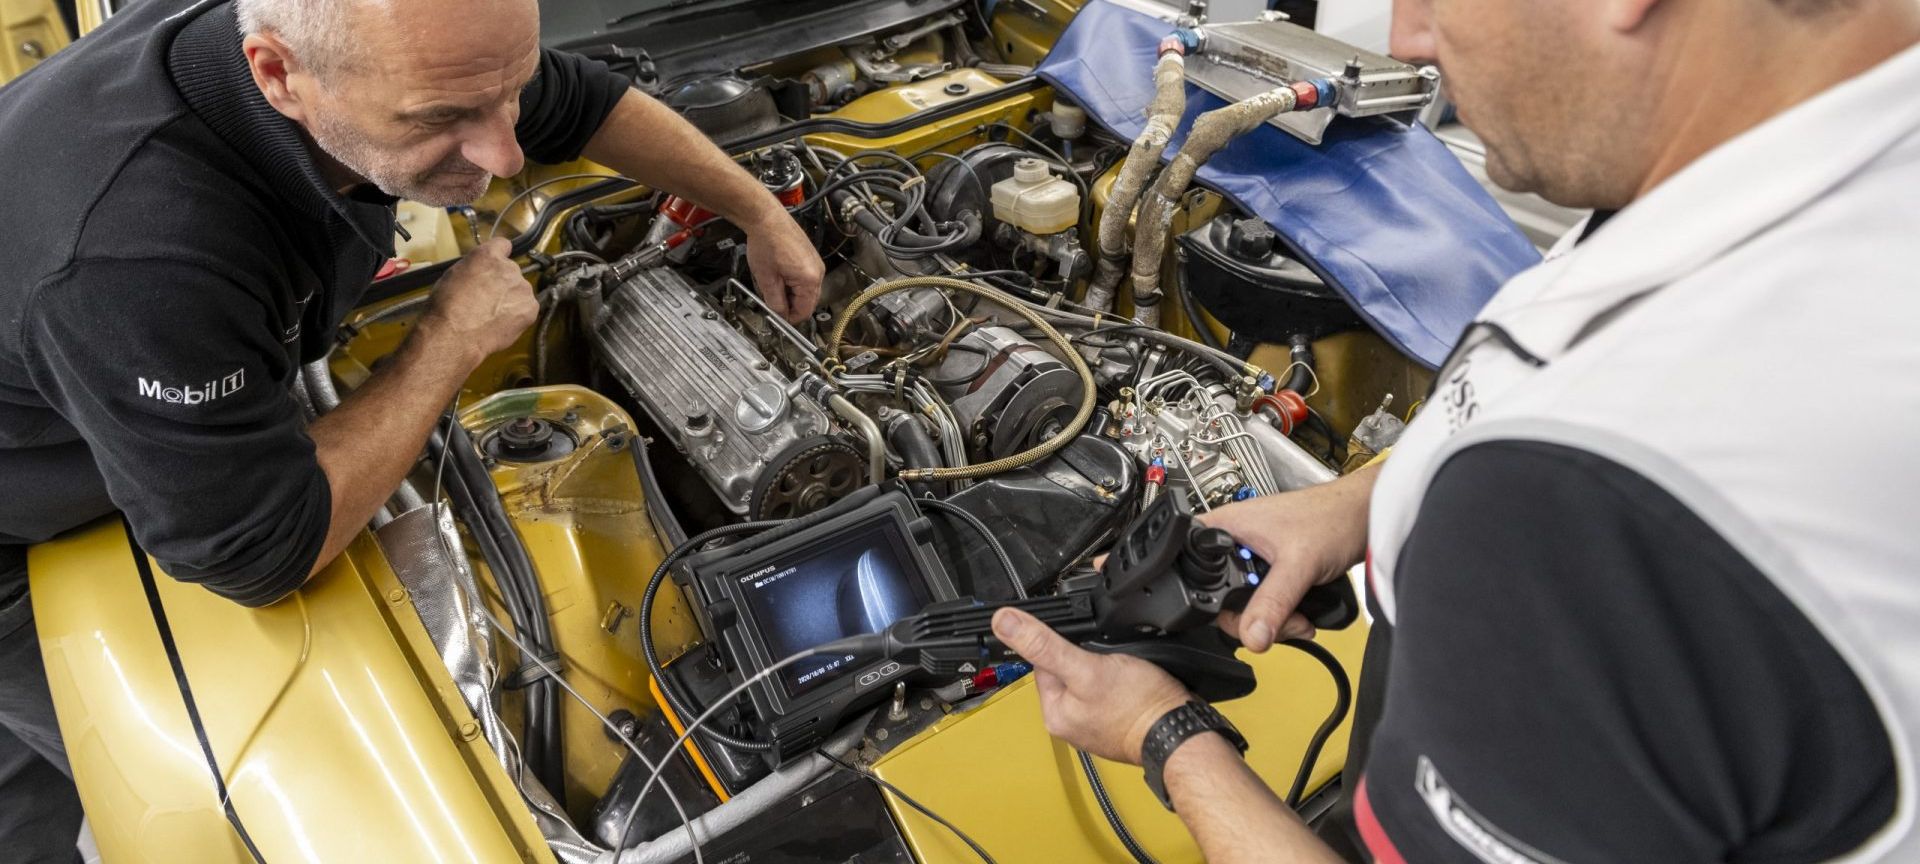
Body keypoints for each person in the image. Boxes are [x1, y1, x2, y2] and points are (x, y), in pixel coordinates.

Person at [993, 0, 1920, 859]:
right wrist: (1362, 500)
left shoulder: (1584, 493)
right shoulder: (1772, 169)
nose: (1408, 39)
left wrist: (1166, 737)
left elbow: (1592, 478)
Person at [0, 0, 824, 858]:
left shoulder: (404, 52)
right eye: (443, 121)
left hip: (117, 357)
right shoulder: (134, 254)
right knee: (165, 792)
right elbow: (255, 551)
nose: (504, 155)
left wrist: (755, 209)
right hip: (21, 500)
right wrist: (448, 340)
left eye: (509, 94)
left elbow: (576, 101)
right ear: (278, 74)